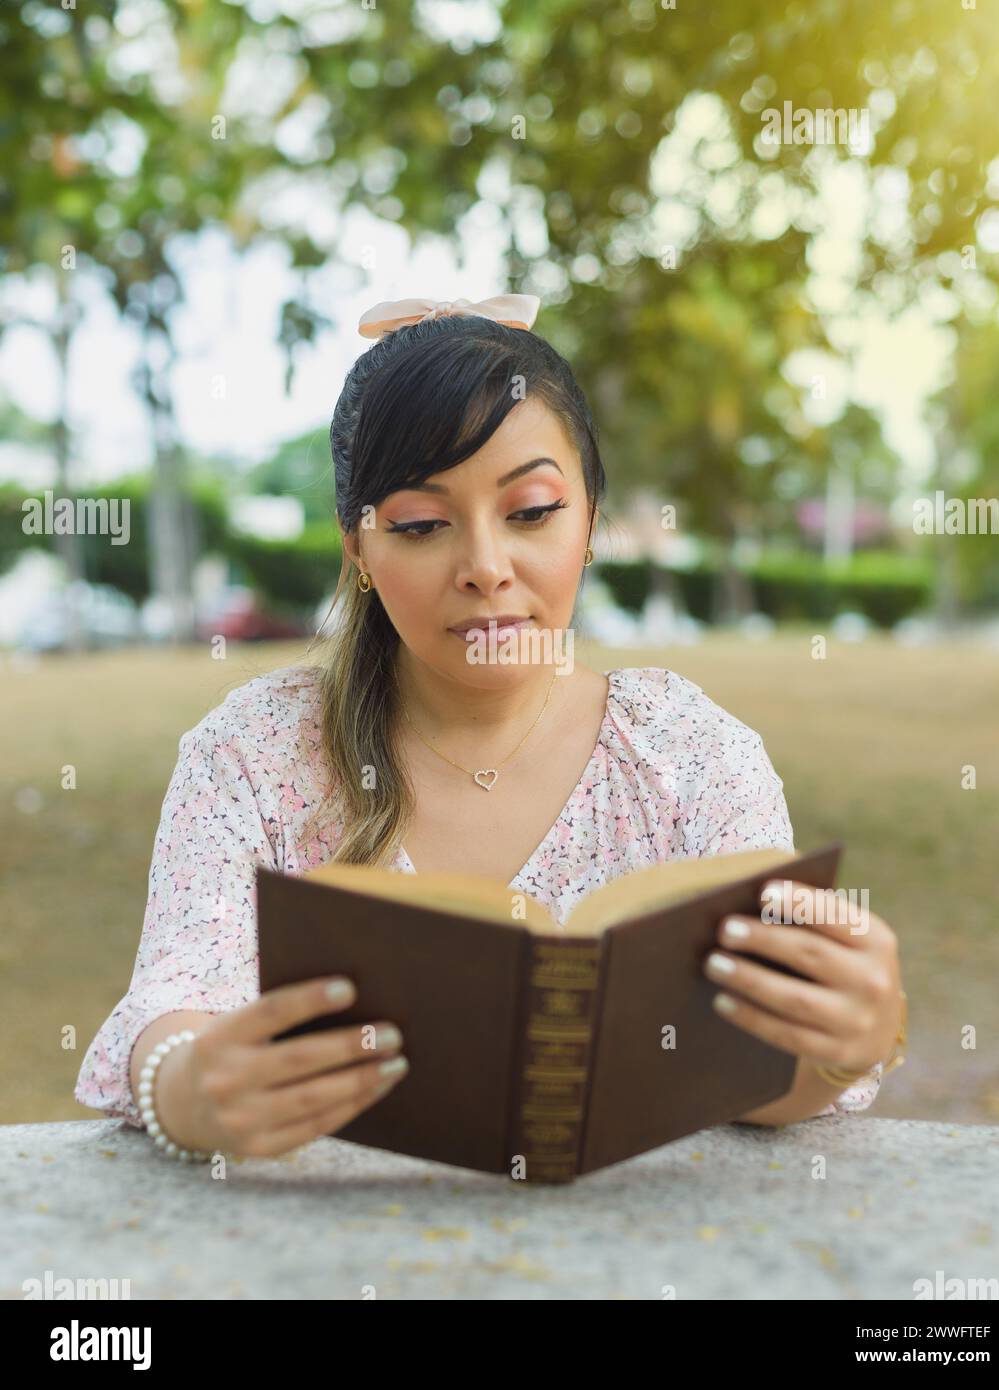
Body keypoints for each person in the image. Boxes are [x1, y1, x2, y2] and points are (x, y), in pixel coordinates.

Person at [74, 294, 906, 1162]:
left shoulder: (692, 754)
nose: (484, 568)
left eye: (532, 511)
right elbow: (173, 1003)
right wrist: (186, 1090)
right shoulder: (252, 754)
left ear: (590, 519)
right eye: (422, 525)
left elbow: (760, 1069)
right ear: (358, 549)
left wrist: (844, 1042)